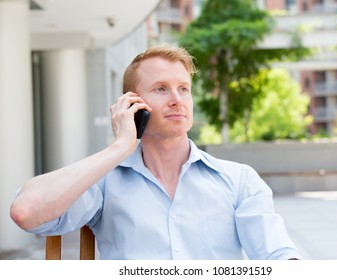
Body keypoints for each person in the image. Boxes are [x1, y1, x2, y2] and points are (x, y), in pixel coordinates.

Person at [10, 44, 302, 260]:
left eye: (183, 89)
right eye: (161, 89)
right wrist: (120, 146)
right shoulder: (105, 183)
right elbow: (26, 212)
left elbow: (277, 254)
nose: (177, 100)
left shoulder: (240, 180)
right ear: (133, 104)